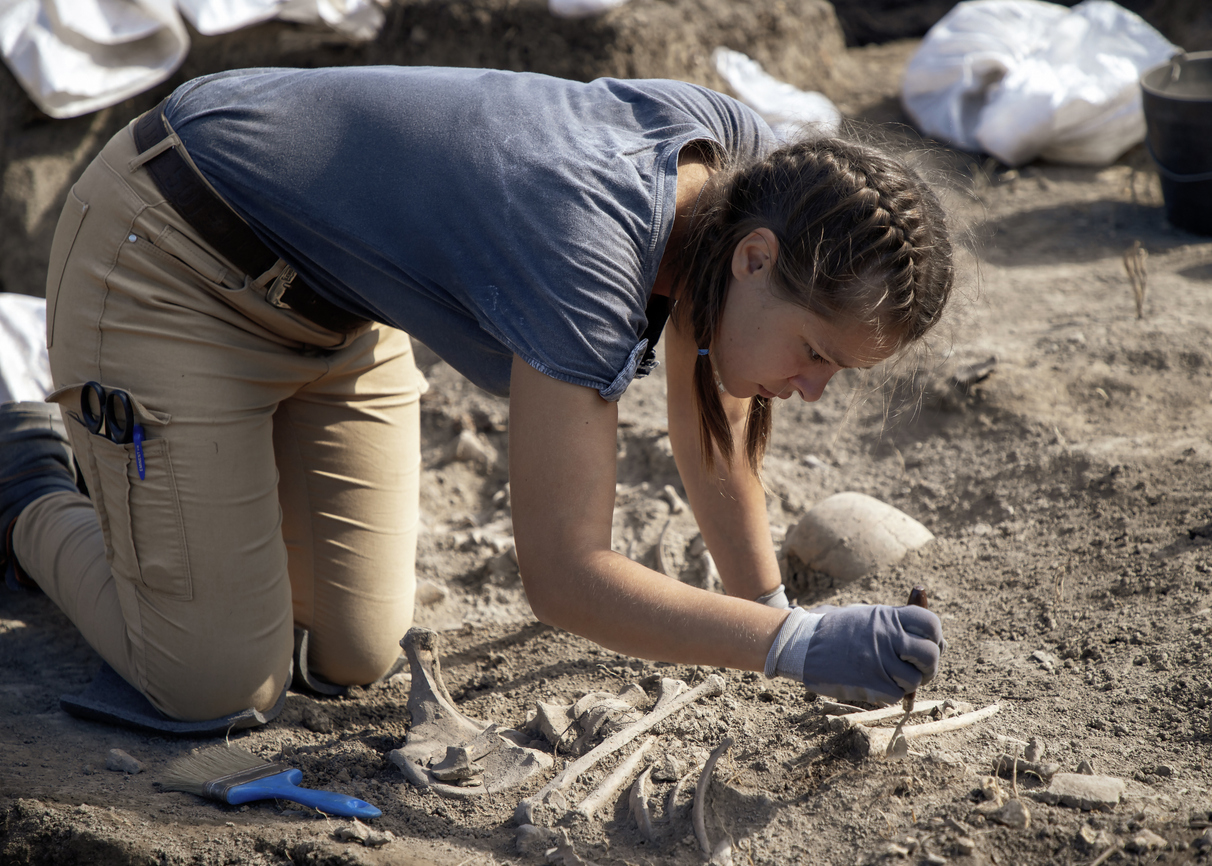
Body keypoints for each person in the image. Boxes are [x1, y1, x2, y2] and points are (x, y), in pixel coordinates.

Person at [0, 65, 951, 726]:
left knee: (352, 654)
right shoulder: (589, 245)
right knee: (211, 686)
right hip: (170, 261)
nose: (817, 390)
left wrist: (778, 609)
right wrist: (789, 647)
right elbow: (567, 578)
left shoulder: (748, 181)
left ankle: (176, 502)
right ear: (755, 260)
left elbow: (716, 409)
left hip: (335, 315)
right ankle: (33, 484)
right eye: (818, 353)